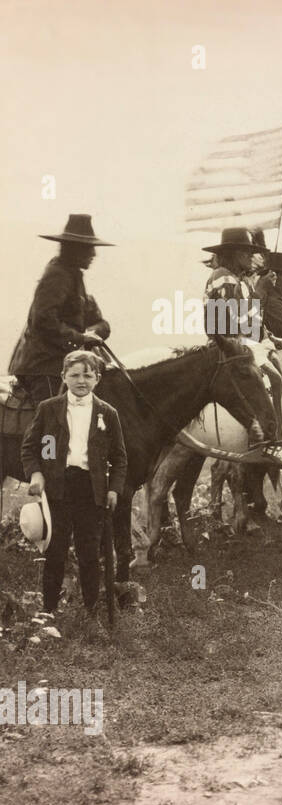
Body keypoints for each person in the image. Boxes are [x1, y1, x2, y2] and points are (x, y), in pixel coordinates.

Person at [20, 350, 126, 620]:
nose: (81, 381)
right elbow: (32, 448)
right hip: (58, 488)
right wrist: (37, 474)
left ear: (97, 379)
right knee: (55, 552)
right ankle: (48, 610)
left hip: (91, 490)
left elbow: (120, 457)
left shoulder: (107, 413)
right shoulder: (49, 408)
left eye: (88, 375)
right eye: (75, 375)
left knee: (89, 552)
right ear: (64, 377)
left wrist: (113, 489)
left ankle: (91, 610)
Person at [202, 227, 282, 468]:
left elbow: (252, 321)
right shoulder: (222, 277)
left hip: (242, 340)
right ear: (233, 253)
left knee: (278, 361)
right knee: (274, 377)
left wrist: (270, 338)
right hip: (226, 342)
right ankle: (271, 441)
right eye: (245, 252)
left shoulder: (241, 280)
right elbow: (224, 322)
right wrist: (261, 291)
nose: (250, 256)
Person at [8, 214, 114, 404]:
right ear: (75, 250)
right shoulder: (57, 276)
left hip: (62, 364)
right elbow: (43, 320)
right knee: (54, 420)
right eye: (89, 249)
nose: (94, 255)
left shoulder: (74, 278)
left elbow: (100, 322)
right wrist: (81, 338)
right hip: (43, 366)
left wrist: (95, 331)